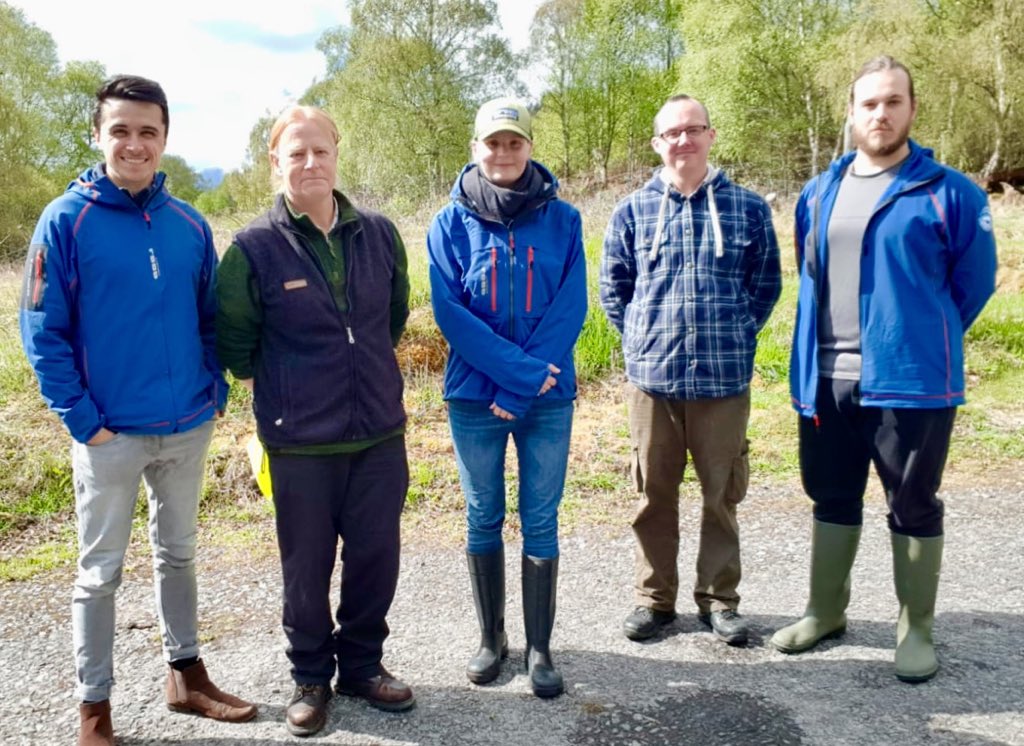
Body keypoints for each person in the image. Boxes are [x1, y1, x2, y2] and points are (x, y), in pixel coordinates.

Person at [18, 75, 257, 746]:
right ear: (97, 136)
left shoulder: (187, 225)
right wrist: (82, 419)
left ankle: (186, 676)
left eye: (147, 131)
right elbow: (41, 329)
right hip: (109, 434)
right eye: (119, 129)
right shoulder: (66, 220)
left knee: (178, 555)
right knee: (99, 575)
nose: (134, 142)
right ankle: (94, 711)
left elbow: (211, 317)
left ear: (165, 140)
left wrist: (216, 389)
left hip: (187, 426)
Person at [770, 56, 997, 682]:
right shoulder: (819, 191)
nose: (880, 113)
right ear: (851, 111)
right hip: (827, 379)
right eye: (869, 103)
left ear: (912, 109)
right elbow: (809, 270)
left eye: (893, 101)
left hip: (912, 383)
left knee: (913, 502)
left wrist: (921, 336)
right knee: (832, 496)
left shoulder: (951, 193)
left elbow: (972, 288)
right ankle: (825, 611)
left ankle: (915, 628)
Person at [216, 104, 413, 736]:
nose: (309, 163)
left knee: (376, 557)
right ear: (275, 161)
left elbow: (391, 321)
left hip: (380, 432)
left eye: (319, 150)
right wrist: (292, 389)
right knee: (306, 568)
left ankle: (361, 665)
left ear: (336, 153)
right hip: (300, 442)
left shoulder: (379, 233)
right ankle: (309, 677)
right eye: (295, 153)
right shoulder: (252, 249)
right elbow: (236, 346)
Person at [600, 94, 782, 647]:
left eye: (693, 130)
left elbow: (766, 285)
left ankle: (719, 601)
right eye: (671, 133)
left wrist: (734, 331)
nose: (683, 140)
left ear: (710, 135)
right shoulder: (632, 211)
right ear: (657, 143)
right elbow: (614, 289)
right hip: (652, 383)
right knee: (652, 494)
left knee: (720, 495)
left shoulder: (748, 209)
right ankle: (655, 601)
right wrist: (643, 340)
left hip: (723, 383)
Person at [427, 98, 587, 698]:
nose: (503, 153)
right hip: (475, 399)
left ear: (529, 148)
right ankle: (491, 640)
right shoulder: (447, 225)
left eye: (514, 142)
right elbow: (453, 316)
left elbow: (569, 310)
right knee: (483, 515)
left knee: (540, 518)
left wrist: (520, 389)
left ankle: (540, 648)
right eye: (493, 142)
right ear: (476, 148)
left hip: (546, 398)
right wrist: (510, 381)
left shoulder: (565, 221)